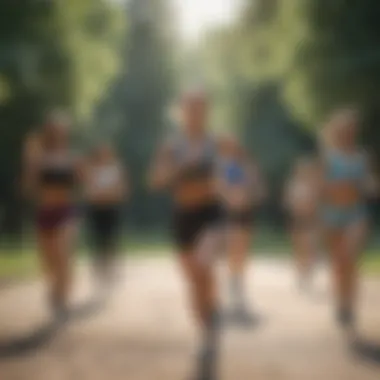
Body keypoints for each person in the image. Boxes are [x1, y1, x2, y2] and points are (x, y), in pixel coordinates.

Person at [148, 88, 223, 380]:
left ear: (207, 111)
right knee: (193, 279)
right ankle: (206, 321)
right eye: (189, 108)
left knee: (203, 269)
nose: (195, 113)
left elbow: (236, 176)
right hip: (182, 217)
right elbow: (155, 180)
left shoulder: (218, 144)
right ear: (181, 112)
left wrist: (221, 179)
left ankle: (207, 334)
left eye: (200, 108)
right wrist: (177, 170)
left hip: (211, 215)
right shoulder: (171, 147)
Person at [320, 108, 378, 332]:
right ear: (337, 131)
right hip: (333, 215)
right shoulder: (328, 157)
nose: (349, 133)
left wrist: (368, 186)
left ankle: (351, 304)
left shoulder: (363, 156)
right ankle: (341, 303)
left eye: (352, 129)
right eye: (345, 129)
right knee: (339, 264)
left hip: (356, 214)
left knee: (349, 257)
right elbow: (321, 188)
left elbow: (370, 184)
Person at [22, 111, 82, 323]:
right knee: (49, 262)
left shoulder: (72, 157)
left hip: (66, 211)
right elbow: (29, 189)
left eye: (62, 131)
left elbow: (83, 182)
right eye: (54, 130)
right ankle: (56, 290)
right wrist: (30, 161)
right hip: (45, 212)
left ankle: (62, 300)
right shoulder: (39, 158)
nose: (58, 134)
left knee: (63, 253)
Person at [217, 134, 266, 323]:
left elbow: (260, 190)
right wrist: (228, 197)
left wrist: (248, 198)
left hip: (245, 213)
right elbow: (215, 187)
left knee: (240, 253)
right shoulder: (219, 165)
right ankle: (230, 291)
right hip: (225, 213)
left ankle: (237, 290)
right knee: (230, 250)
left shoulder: (249, 166)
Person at [84, 143, 127, 293]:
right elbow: (90, 191)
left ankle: (111, 267)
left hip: (111, 209)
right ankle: (100, 268)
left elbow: (121, 191)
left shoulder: (116, 168)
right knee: (98, 239)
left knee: (111, 238)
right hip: (96, 209)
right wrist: (106, 193)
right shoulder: (92, 169)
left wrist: (104, 194)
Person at [284, 158, 321, 292]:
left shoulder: (314, 186)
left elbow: (318, 204)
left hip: (311, 221)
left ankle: (308, 272)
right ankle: (300, 273)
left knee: (310, 247)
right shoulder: (293, 185)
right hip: (298, 220)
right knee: (299, 248)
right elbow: (288, 202)